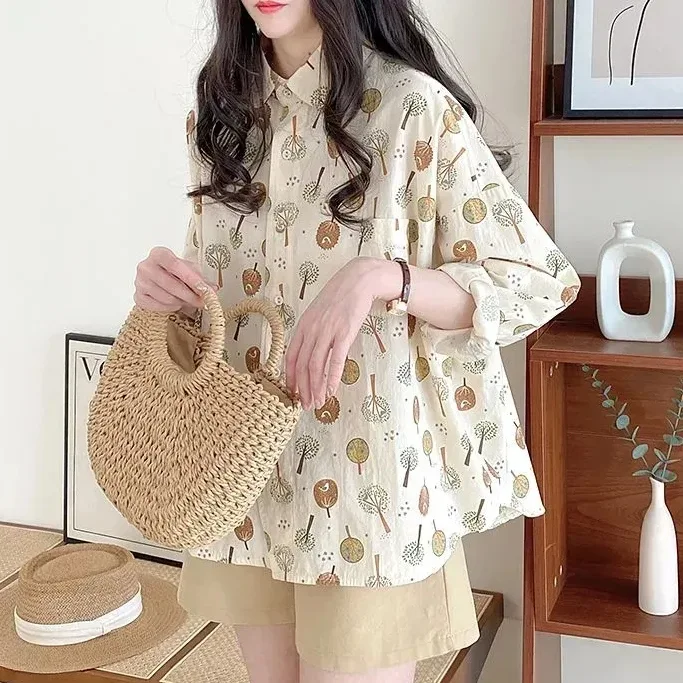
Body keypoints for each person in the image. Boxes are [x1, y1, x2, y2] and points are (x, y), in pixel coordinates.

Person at [133, 1, 580, 681]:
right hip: (246, 482)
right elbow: (215, 303)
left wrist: (384, 277)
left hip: (365, 492)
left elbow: (534, 281)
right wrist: (164, 290)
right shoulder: (220, 116)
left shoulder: (410, 109)